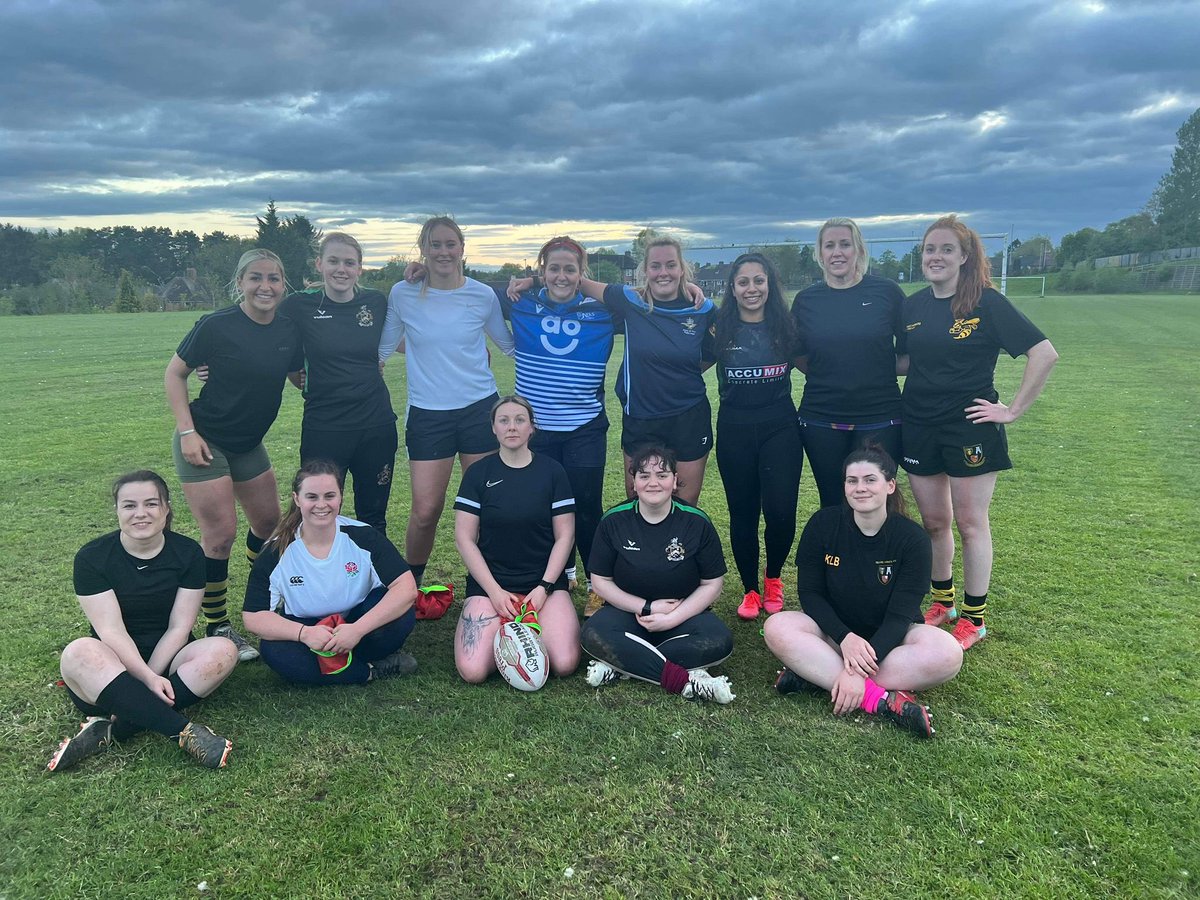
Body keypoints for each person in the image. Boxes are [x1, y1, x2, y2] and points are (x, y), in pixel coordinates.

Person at [901, 215, 1058, 650]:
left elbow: (1044, 354)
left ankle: (974, 617)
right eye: (930, 249)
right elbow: (904, 361)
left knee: (970, 523)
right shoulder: (912, 307)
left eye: (946, 249)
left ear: (964, 256)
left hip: (970, 427)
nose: (936, 256)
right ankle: (943, 601)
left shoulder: (986, 302)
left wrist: (1012, 410)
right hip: (918, 424)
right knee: (935, 521)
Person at [764, 446, 962, 738]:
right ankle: (880, 700)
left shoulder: (913, 539)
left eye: (870, 479)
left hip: (891, 640)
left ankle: (815, 673)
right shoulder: (823, 524)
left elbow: (900, 614)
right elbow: (810, 593)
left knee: (948, 653)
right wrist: (845, 639)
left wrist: (857, 670)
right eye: (852, 481)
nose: (860, 488)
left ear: (890, 485)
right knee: (777, 626)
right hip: (834, 635)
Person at [165, 248, 303, 661]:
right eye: (256, 278)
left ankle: (258, 594)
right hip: (205, 439)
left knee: (269, 526)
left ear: (283, 285)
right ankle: (218, 625)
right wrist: (188, 432)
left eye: (274, 278)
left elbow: (299, 377)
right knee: (220, 535)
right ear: (240, 283)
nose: (266, 286)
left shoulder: (288, 330)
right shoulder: (214, 325)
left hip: (248, 443)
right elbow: (175, 373)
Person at [48, 472, 237, 772]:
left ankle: (114, 730)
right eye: (129, 505)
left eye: (151, 503)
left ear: (166, 508)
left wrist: (152, 675)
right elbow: (111, 631)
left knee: (224, 650)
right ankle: (183, 731)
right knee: (78, 652)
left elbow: (179, 627)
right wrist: (147, 680)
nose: (140, 513)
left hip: (170, 665)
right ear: (117, 511)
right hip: (109, 672)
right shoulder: (92, 557)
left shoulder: (188, 553)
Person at [379, 216, 515, 594]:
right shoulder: (402, 293)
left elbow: (509, 345)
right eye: (434, 244)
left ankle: (489, 586)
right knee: (425, 511)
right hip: (428, 416)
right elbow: (382, 348)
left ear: (462, 248)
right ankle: (412, 587)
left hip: (479, 411)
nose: (443, 251)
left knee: (489, 506)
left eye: (450, 244)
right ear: (423, 249)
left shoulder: (482, 294)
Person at [581, 446, 735, 704]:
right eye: (644, 476)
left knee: (719, 640)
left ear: (675, 480)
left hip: (684, 615)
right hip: (627, 614)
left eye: (662, 475)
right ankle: (686, 680)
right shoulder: (613, 521)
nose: (653, 482)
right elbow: (600, 581)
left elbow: (712, 584)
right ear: (634, 482)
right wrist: (647, 607)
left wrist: (672, 618)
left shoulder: (696, 522)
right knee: (593, 632)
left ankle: (623, 664)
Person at [242, 460, 419, 684]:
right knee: (274, 651)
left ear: (340, 497)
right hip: (310, 634)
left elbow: (406, 588)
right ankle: (368, 671)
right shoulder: (276, 551)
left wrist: (356, 630)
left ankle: (350, 662)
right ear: (297, 499)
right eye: (312, 497)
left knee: (400, 614)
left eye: (329, 495)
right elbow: (253, 615)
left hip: (359, 625)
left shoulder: (364, 537)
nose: (321, 504)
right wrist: (304, 634)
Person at [452, 396, 581, 682]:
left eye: (520, 420)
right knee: (473, 671)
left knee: (564, 663)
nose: (512, 427)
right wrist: (495, 593)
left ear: (532, 428)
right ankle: (508, 628)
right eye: (504, 420)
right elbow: (464, 537)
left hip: (542, 583)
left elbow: (565, 535)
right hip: (492, 583)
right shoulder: (478, 473)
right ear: (494, 428)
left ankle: (521, 628)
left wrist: (544, 587)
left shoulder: (552, 472)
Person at [279, 233, 398, 534]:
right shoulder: (298, 305)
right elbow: (261, 332)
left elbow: (410, 336)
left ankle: (371, 581)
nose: (341, 269)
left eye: (349, 262)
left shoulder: (376, 302)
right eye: (333, 261)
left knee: (373, 516)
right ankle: (315, 579)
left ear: (360, 268)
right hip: (325, 427)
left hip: (376, 425)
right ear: (319, 264)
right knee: (317, 513)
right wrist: (209, 360)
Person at [711, 253, 805, 620]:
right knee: (743, 513)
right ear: (732, 289)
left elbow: (816, 369)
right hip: (734, 428)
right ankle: (750, 588)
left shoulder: (786, 326)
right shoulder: (718, 328)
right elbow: (690, 365)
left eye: (759, 281)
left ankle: (773, 577)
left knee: (781, 512)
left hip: (780, 426)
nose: (752, 288)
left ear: (770, 285)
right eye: (743, 282)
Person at [790, 218, 908, 507]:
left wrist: (870, 368)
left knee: (875, 500)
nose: (837, 252)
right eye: (829, 245)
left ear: (859, 250)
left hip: (881, 416)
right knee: (833, 500)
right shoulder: (806, 300)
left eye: (845, 244)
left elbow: (908, 353)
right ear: (819, 254)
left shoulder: (887, 293)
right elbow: (798, 355)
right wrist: (833, 371)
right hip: (821, 418)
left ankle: (877, 554)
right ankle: (837, 554)